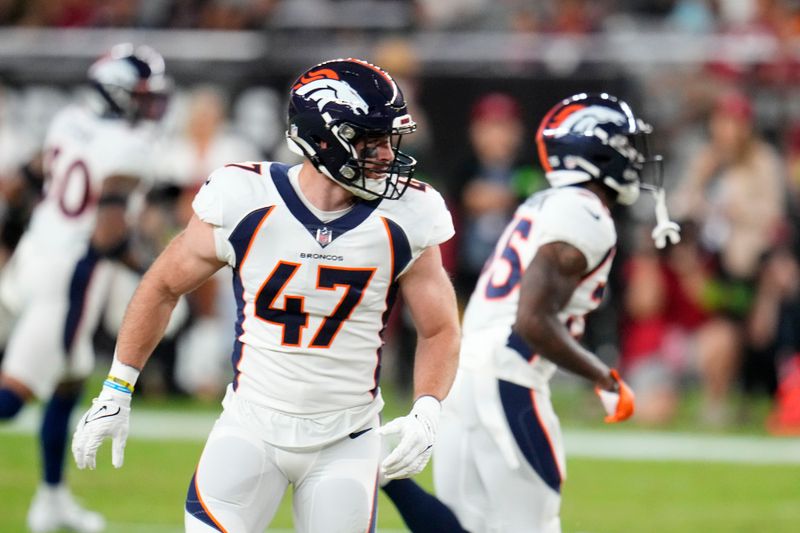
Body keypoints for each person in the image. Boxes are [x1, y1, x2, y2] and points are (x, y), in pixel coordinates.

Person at [71, 58, 460, 533]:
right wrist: (117, 385)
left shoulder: (410, 212)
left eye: (386, 140)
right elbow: (162, 285)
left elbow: (439, 326)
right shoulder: (245, 196)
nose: (384, 155)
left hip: (347, 438)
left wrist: (428, 408)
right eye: (368, 140)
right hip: (249, 428)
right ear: (322, 137)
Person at [382, 93, 681, 532]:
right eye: (627, 144)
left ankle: (381, 475)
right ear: (598, 149)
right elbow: (533, 321)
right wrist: (604, 376)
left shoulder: (543, 203)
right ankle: (381, 475)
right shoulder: (583, 213)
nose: (636, 157)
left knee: (466, 526)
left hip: (464, 373)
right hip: (509, 377)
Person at [0, 43, 170, 532]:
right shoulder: (130, 146)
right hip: (68, 275)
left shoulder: (70, 119)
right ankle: (50, 500)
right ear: (116, 94)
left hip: (33, 257)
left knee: (69, 379)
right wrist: (159, 272)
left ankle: (51, 499)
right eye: (141, 95)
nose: (150, 105)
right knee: (12, 400)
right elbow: (108, 235)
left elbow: (21, 183)